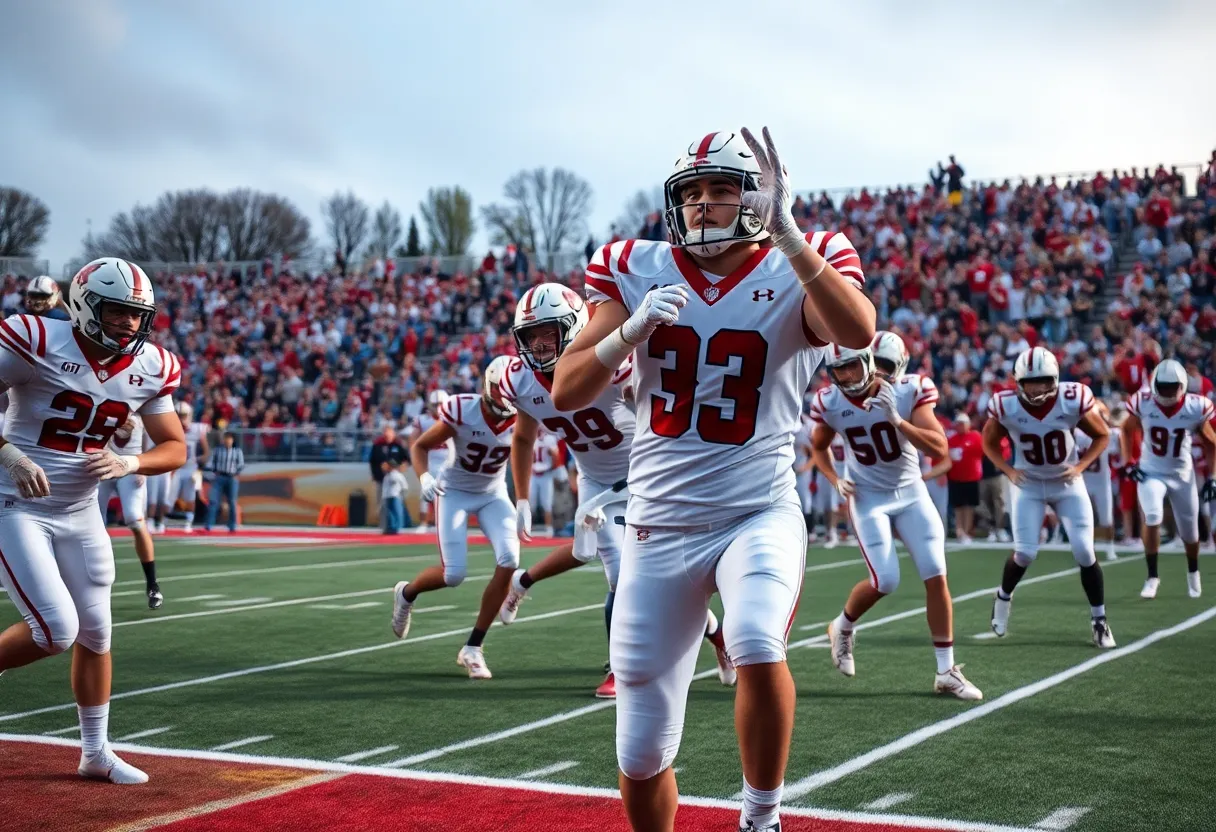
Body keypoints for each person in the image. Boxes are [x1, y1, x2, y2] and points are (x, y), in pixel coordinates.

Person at [551, 127, 875, 832]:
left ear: (753, 198)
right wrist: (623, 335)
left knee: (756, 638)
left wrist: (793, 241)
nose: (702, 205)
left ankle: (760, 818)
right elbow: (567, 390)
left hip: (754, 511)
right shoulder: (630, 266)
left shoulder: (804, 257)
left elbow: (855, 331)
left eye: (720, 189)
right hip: (657, 526)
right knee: (639, 751)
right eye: (691, 192)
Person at [496, 283, 733, 699]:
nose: (537, 345)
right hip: (597, 484)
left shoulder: (614, 362)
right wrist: (520, 497)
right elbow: (522, 438)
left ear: (572, 328)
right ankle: (620, 667)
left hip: (650, 480)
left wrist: (644, 394)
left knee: (670, 578)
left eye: (546, 334)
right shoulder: (520, 381)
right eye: (530, 337)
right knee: (623, 577)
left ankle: (717, 635)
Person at [0, 257, 186, 784]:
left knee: (97, 631)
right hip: (14, 502)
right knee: (56, 628)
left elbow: (174, 446)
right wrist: (10, 454)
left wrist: (131, 461)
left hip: (79, 509)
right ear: (84, 305)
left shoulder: (150, 364)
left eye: (137, 314)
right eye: (118, 311)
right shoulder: (36, 338)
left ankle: (95, 752)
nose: (130, 323)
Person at [812, 334, 980, 700]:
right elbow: (819, 444)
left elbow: (939, 447)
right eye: (838, 369)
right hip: (868, 497)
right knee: (885, 580)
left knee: (936, 574)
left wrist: (897, 421)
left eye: (852, 366)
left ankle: (946, 671)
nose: (845, 376)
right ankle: (842, 627)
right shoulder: (829, 401)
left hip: (910, 492)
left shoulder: (906, 392)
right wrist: (833, 477)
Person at [390, 356, 520, 680]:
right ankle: (406, 593)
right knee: (454, 575)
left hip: (493, 493)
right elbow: (420, 446)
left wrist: (526, 500)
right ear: (489, 387)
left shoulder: (524, 413)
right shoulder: (463, 409)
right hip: (455, 492)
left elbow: (527, 447)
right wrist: (423, 479)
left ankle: (473, 647)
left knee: (510, 558)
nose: (507, 397)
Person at [983, 347, 1115, 648]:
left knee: (1084, 551)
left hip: (1066, 483)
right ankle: (1003, 597)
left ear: (1054, 379)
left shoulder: (1071, 399)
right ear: (1018, 381)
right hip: (1029, 483)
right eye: (1030, 382)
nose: (1037, 388)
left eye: (1042, 381)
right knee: (1026, 552)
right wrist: (1007, 470)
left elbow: (1102, 434)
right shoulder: (1006, 406)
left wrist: (1081, 465)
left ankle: (1099, 620)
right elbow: (988, 441)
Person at [1122, 360, 1216, 599]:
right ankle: (1152, 576)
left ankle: (1193, 572)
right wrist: (1129, 461)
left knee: (1190, 532)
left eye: (1171, 387)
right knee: (1152, 515)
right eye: (1162, 387)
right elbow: (1126, 429)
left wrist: (1213, 477)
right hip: (1151, 471)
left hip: (1182, 474)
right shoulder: (1143, 402)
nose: (1167, 392)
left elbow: (1211, 443)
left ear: (1182, 385)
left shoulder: (1196, 406)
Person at [97, 413, 162, 608]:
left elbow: (151, 438)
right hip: (103, 461)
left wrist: (143, 464)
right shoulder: (101, 395)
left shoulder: (140, 401)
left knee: (134, 518)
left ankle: (152, 584)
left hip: (131, 465)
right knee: (93, 522)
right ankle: (92, 584)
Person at [1076, 400, 1120, 561]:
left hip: (1100, 481)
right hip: (1085, 480)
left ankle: (1109, 546)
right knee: (1085, 517)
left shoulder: (1081, 435)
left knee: (1106, 518)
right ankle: (1090, 547)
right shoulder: (1085, 434)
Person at [408, 391, 452, 533]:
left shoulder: (454, 418)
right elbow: (413, 439)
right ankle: (424, 522)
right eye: (435, 404)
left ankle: (444, 523)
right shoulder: (422, 420)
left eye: (440, 404)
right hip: (431, 458)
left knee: (449, 494)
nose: (438, 407)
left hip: (449, 458)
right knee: (426, 492)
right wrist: (416, 457)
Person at [167, 401, 209, 533]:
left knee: (190, 497)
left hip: (191, 468)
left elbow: (206, 451)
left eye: (184, 415)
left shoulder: (196, 429)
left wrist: (199, 462)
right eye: (179, 414)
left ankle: (188, 522)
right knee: (170, 496)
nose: (181, 417)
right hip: (176, 468)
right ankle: (164, 520)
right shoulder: (171, 429)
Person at [947, 414, 983, 544]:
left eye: (962, 423)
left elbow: (982, 452)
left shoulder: (975, 436)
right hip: (955, 477)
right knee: (958, 506)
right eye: (958, 423)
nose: (960, 426)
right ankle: (959, 531)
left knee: (969, 506)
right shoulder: (952, 439)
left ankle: (967, 531)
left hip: (971, 477)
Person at [204, 432, 244, 533]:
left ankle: (232, 525)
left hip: (231, 478)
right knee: (213, 501)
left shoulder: (237, 451)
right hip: (220, 477)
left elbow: (241, 464)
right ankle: (209, 524)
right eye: (226, 439)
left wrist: (236, 474)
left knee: (232, 502)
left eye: (229, 439)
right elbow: (210, 463)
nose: (227, 441)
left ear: (232, 440)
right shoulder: (217, 450)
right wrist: (214, 472)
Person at [380, 459, 407, 535]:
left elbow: (404, 486)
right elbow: (385, 487)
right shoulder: (387, 476)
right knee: (389, 513)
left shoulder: (398, 475)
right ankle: (390, 528)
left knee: (397, 512)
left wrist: (401, 495)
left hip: (395, 496)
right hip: (387, 496)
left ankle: (397, 528)